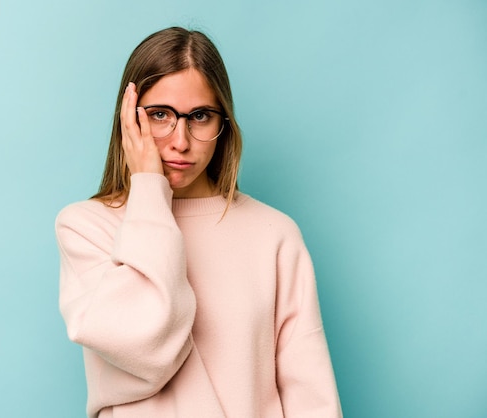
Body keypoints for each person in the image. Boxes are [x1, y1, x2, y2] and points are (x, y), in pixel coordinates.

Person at [55, 27, 342, 418]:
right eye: (160, 115)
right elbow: (145, 347)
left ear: (222, 123)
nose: (180, 140)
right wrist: (149, 189)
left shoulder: (274, 235)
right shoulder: (87, 228)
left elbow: (312, 397)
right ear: (128, 119)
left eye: (200, 116)